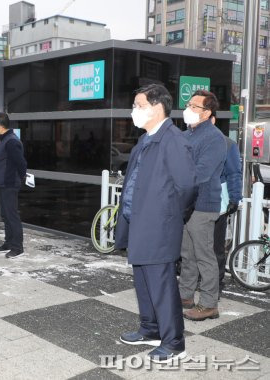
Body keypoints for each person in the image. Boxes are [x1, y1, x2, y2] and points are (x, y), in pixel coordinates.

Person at [115, 84, 196, 363]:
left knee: (161, 285)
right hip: (138, 223)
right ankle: (150, 328)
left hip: (158, 225)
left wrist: (168, 214)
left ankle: (174, 342)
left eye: (138, 105)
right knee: (143, 282)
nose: (134, 111)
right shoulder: (145, 139)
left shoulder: (172, 139)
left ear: (156, 107)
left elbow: (186, 186)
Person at [179, 90, 227, 322]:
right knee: (187, 254)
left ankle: (209, 303)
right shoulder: (188, 134)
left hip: (203, 204)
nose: (188, 109)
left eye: (194, 106)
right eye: (188, 104)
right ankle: (185, 295)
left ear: (207, 113)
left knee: (203, 255)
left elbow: (202, 173)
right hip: (187, 204)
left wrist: (176, 181)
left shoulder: (214, 138)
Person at [0, 112, 27, 258]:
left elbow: (21, 163)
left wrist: (21, 176)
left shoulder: (11, 141)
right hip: (3, 183)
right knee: (5, 214)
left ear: (0, 125)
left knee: (11, 215)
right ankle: (9, 242)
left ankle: (17, 247)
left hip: (9, 183)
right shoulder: (4, 139)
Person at [212, 121, 242, 297]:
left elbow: (234, 173)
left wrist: (234, 198)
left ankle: (216, 283)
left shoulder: (227, 143)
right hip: (192, 203)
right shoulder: (187, 139)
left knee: (216, 246)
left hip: (218, 204)